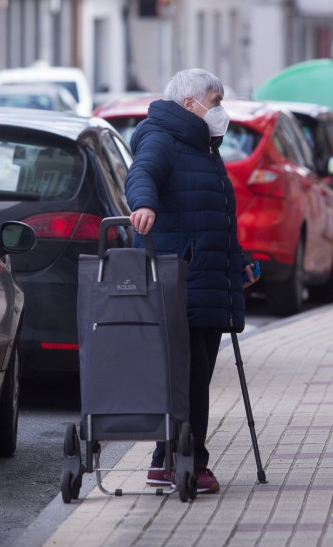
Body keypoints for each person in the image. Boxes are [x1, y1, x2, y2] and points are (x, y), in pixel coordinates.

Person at [125, 68, 258, 495]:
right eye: (215, 102)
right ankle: (189, 462)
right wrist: (143, 204)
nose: (221, 111)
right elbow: (142, 172)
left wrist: (238, 261)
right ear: (190, 105)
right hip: (179, 281)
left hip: (205, 277)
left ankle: (166, 460)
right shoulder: (161, 137)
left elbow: (212, 215)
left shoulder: (204, 147)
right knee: (190, 379)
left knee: (191, 378)